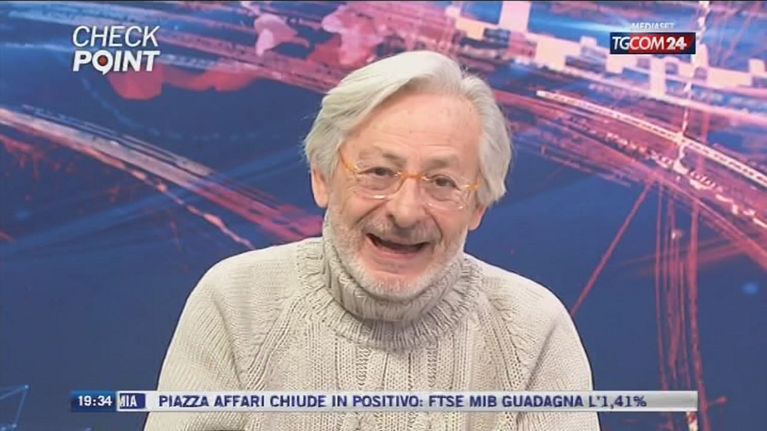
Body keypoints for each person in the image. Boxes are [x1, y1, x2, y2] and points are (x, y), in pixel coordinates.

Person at [145, 50, 600, 430]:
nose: (406, 211)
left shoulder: (533, 330)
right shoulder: (237, 301)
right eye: (379, 172)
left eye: (442, 182)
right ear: (322, 178)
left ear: (478, 205)